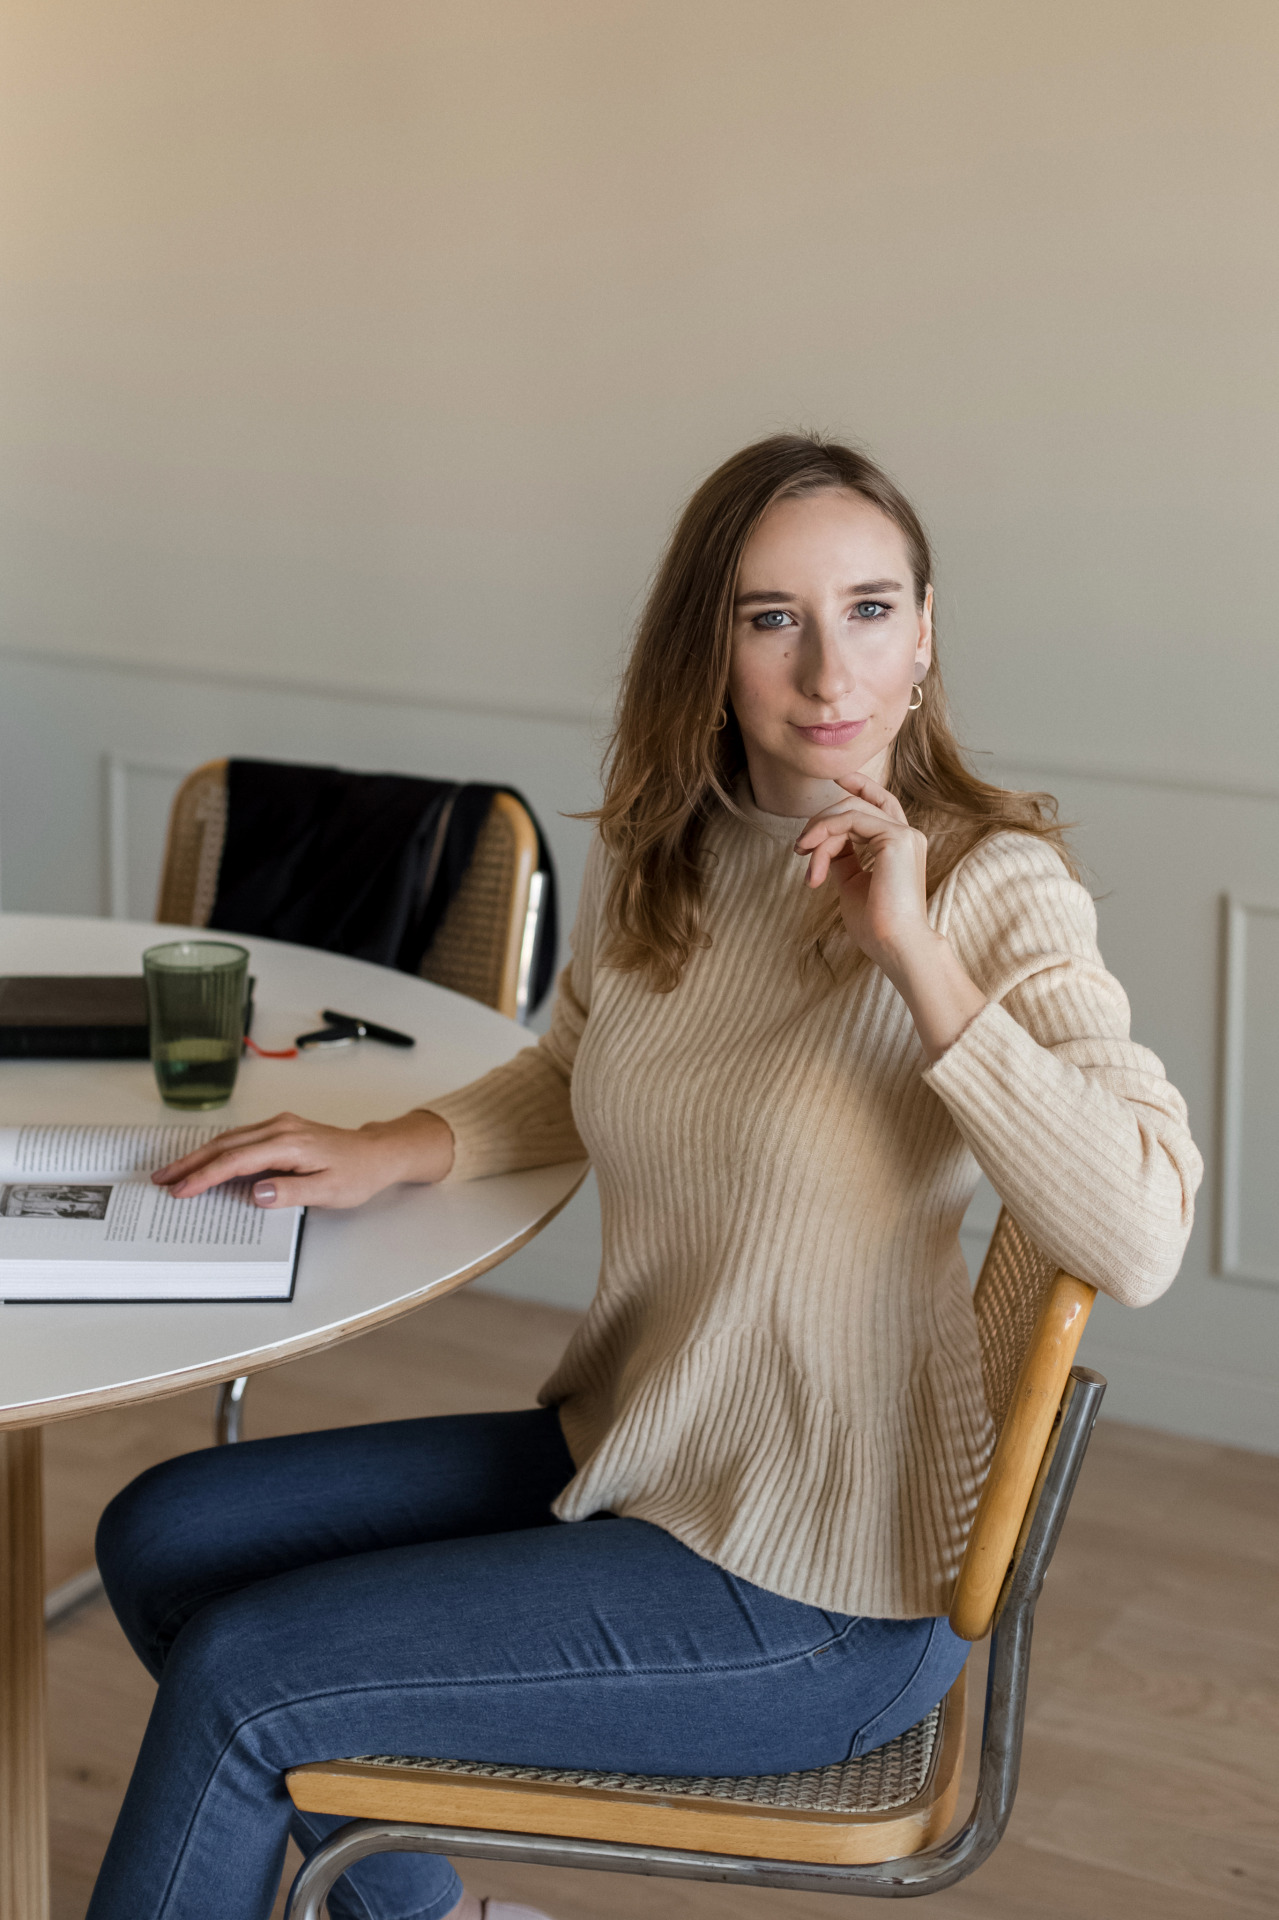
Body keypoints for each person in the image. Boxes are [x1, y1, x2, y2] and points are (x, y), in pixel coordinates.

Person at [89, 434, 1202, 1920]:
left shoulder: (993, 888)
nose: (830, 672)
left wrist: (917, 959)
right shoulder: (675, 855)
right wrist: (386, 1149)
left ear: (927, 634)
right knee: (162, 1536)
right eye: (772, 618)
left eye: (872, 609)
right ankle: (426, 1915)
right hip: (643, 1450)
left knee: (243, 1683)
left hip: (819, 1580)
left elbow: (1134, 1233)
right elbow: (573, 1071)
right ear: (710, 648)